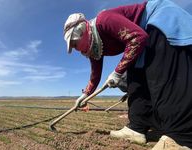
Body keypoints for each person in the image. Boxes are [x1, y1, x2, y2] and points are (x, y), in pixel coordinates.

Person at [63, 0, 192, 149]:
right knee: (135, 80)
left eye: (74, 44)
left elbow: (138, 37)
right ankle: (136, 127)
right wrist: (85, 95)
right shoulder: (95, 49)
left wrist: (117, 72)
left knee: (160, 73)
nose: (77, 50)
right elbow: (95, 74)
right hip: (142, 40)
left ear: (82, 30)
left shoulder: (104, 20)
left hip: (157, 20)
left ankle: (181, 137)